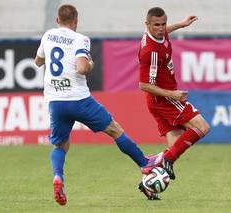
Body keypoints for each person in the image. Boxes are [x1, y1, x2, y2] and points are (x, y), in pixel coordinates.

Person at [35, 4, 164, 205]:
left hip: (55, 101)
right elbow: (82, 68)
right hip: (79, 99)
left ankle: (58, 176)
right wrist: (91, 63)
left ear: (57, 20)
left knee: (60, 145)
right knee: (114, 129)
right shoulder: (80, 39)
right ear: (76, 21)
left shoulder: (48, 35)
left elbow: (38, 61)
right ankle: (144, 164)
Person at [138, 6, 211, 194]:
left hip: (156, 101)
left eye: (163, 24)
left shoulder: (157, 34)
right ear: (147, 25)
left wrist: (181, 24)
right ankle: (165, 160)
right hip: (164, 99)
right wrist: (173, 95)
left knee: (176, 143)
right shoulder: (151, 52)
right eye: (156, 25)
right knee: (203, 127)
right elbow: (144, 84)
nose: (161, 28)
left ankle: (148, 181)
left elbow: (164, 31)